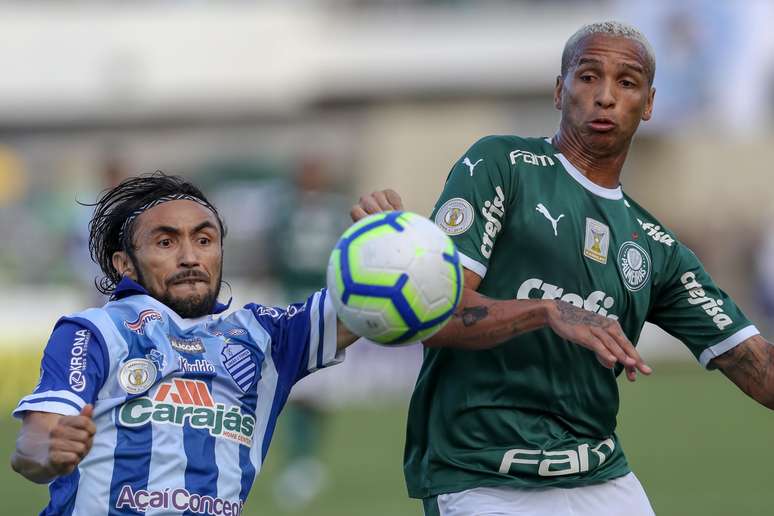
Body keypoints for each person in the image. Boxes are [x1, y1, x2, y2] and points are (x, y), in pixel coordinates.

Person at [356, 21, 774, 516]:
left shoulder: (655, 248)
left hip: (600, 476)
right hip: (484, 477)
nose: (604, 97)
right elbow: (435, 316)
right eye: (588, 76)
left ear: (650, 103)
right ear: (560, 90)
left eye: (626, 82)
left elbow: (756, 367)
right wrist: (545, 311)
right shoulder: (500, 165)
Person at [9, 172, 390, 515]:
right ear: (125, 264)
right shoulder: (95, 330)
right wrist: (49, 453)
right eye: (165, 242)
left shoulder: (265, 336)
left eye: (204, 240)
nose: (190, 257)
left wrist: (389, 249)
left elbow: (361, 306)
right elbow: (35, 439)